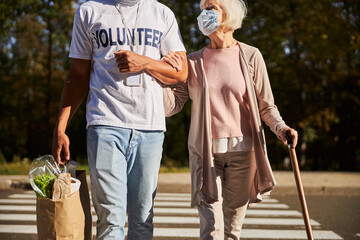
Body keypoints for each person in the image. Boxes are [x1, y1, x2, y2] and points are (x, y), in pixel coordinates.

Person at [162, 0, 298, 239]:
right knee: (210, 229)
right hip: (205, 154)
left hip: (244, 153)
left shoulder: (251, 56)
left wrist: (281, 128)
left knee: (232, 230)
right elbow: (172, 106)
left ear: (228, 13)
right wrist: (159, 75)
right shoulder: (192, 61)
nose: (204, 13)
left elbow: (266, 106)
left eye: (211, 7)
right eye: (202, 8)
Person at [52, 0, 187, 239]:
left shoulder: (162, 13)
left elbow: (181, 73)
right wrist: (61, 128)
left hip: (150, 127)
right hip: (105, 123)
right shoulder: (89, 11)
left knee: (142, 220)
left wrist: (144, 62)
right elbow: (78, 75)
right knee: (110, 220)